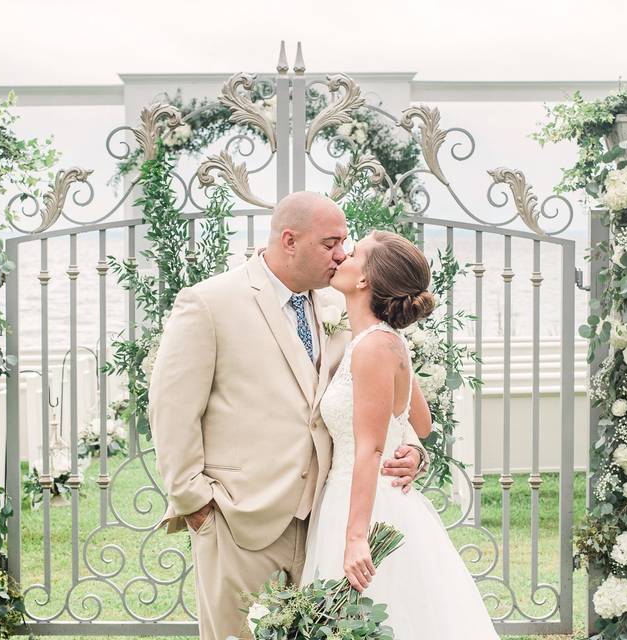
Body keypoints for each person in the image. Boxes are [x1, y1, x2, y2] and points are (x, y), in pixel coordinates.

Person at [147, 192, 427, 640]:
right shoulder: (209, 303)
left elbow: (380, 399)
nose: (341, 255)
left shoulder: (342, 306)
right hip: (238, 519)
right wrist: (195, 501)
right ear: (290, 240)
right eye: (330, 243)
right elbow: (171, 408)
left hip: (323, 520)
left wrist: (411, 448)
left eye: (345, 243)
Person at [301, 230, 500, 639]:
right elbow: (420, 424)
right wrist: (409, 447)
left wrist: (356, 538)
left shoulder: (375, 347)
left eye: (352, 253)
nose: (342, 255)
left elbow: (371, 450)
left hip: (364, 509)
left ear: (363, 281)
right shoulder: (385, 341)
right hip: (374, 497)